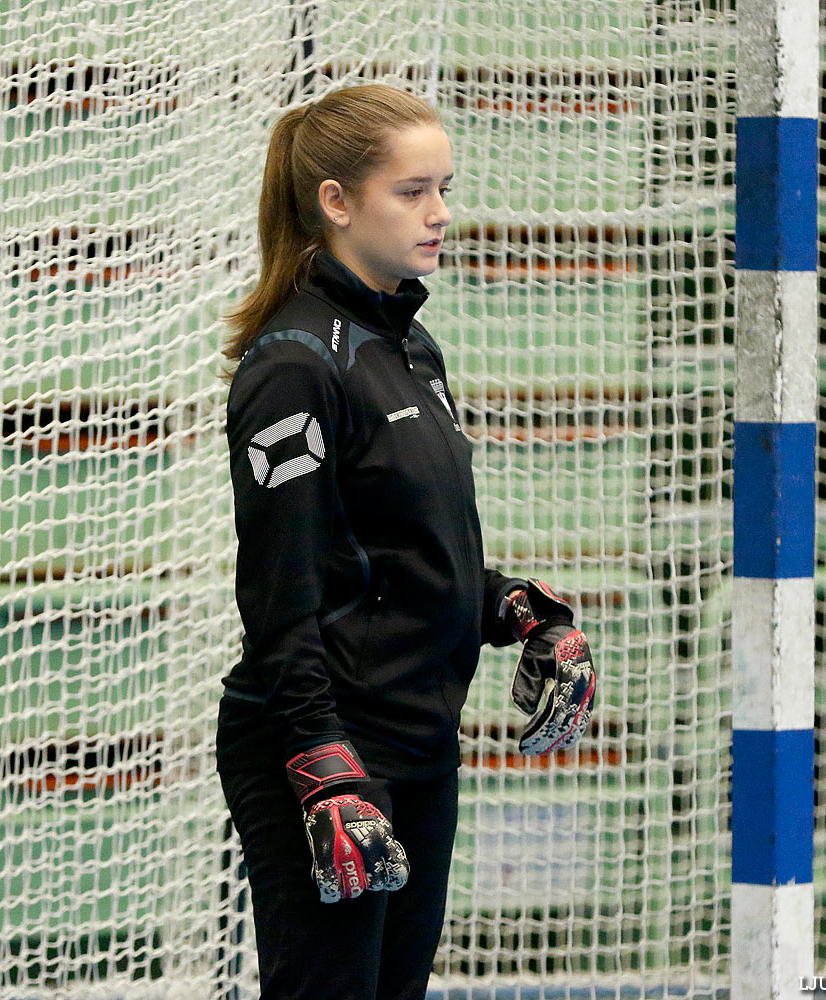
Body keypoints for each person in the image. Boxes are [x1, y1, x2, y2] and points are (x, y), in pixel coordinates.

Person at [214, 83, 598, 1000]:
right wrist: (320, 761)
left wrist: (519, 610)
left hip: (420, 740)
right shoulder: (296, 366)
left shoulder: (411, 348)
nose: (441, 213)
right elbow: (281, 591)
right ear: (337, 202)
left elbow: (409, 558)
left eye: (445, 187)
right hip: (328, 744)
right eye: (413, 191)